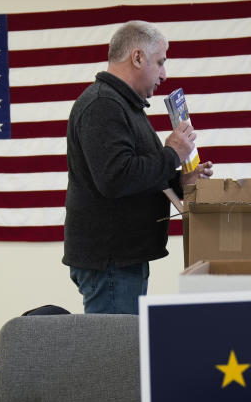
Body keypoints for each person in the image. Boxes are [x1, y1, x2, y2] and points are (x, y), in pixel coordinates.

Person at [62, 20, 213, 314]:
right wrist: (172, 152)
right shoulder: (103, 104)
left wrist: (181, 180)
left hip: (122, 259)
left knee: (123, 351)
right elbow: (115, 178)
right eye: (160, 62)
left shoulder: (123, 104)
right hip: (111, 261)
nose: (164, 75)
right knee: (116, 356)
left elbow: (138, 174)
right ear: (137, 57)